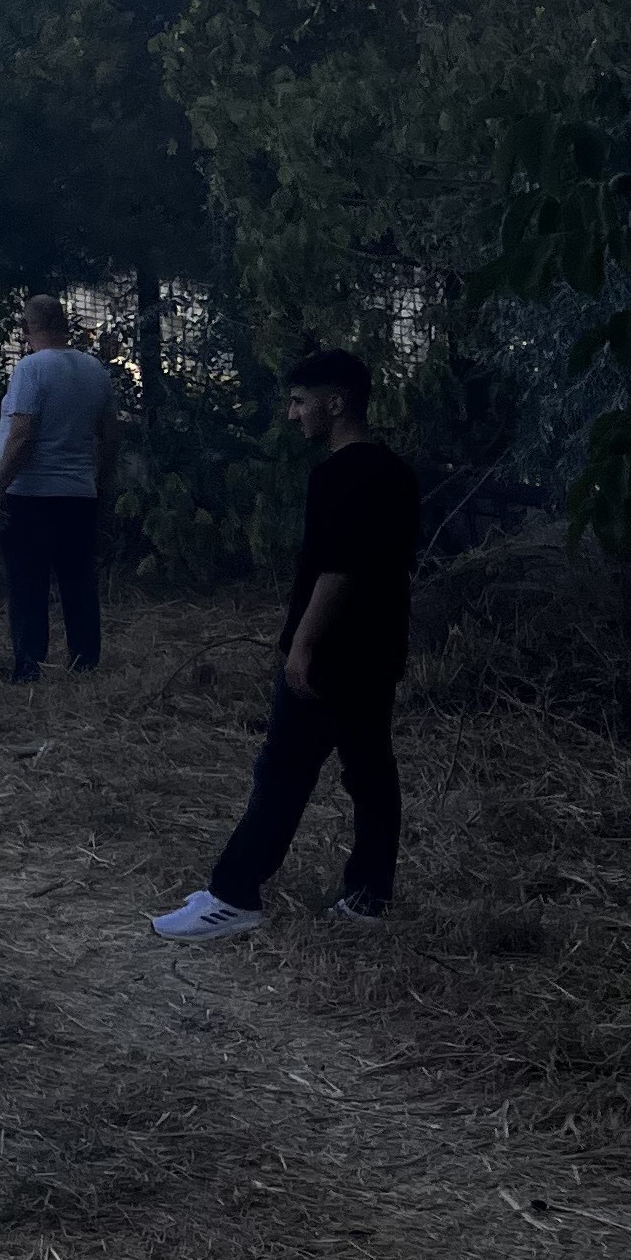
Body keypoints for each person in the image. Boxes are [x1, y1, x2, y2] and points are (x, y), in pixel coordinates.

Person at [154, 348, 418, 939]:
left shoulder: (338, 475)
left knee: (283, 770)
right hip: (379, 647)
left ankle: (234, 894)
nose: (293, 414)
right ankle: (368, 896)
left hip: (333, 653)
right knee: (370, 771)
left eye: (300, 402)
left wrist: (302, 645)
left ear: (336, 402)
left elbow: (339, 569)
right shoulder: (397, 472)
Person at [0, 294, 116, 678]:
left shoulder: (30, 369)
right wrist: (99, 480)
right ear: (65, 324)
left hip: (31, 494)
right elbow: (110, 435)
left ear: (25, 328)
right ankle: (85, 660)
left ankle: (30, 664)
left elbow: (22, 434)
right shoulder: (94, 370)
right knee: (79, 580)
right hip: (78, 493)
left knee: (28, 583)